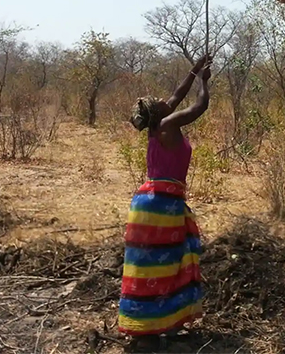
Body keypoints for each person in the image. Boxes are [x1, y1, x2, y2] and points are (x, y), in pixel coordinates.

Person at [119, 55, 211, 352]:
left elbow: (176, 96)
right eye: (158, 101)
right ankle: (161, 324)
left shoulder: (158, 124)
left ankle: (150, 328)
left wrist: (194, 70)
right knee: (172, 262)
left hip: (147, 204)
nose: (164, 99)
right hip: (163, 206)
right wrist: (205, 83)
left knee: (146, 266)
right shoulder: (169, 123)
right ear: (157, 111)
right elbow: (199, 107)